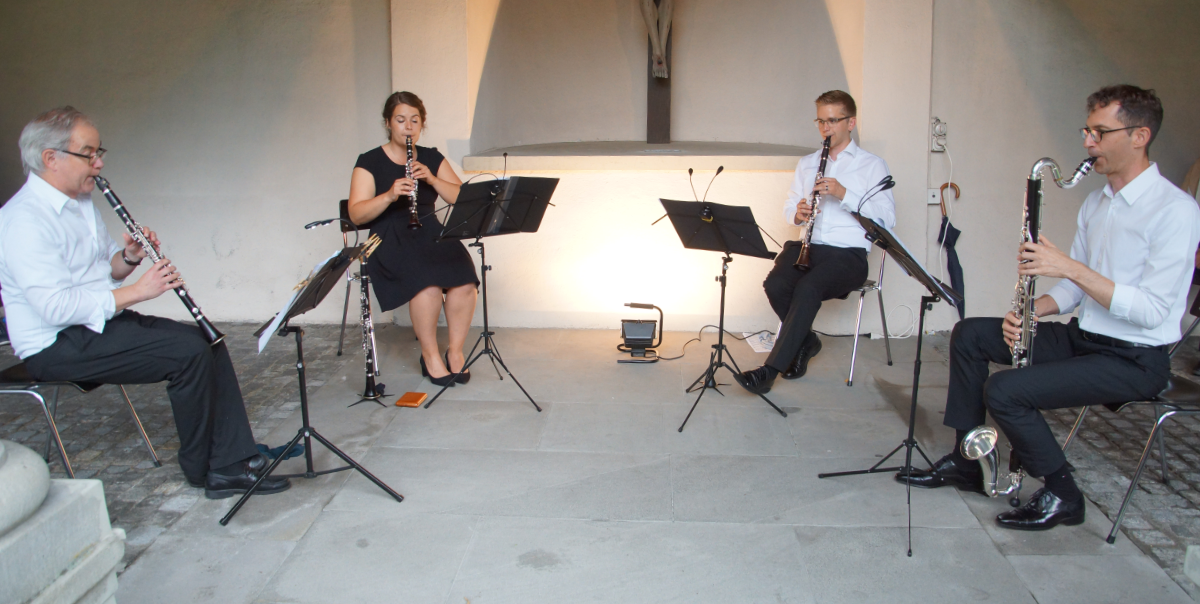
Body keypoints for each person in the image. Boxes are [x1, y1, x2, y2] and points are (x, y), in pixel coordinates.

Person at [897, 85, 1200, 531]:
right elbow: (1074, 291)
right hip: (1085, 337)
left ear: (1139, 136)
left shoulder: (1176, 210)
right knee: (971, 334)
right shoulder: (1098, 203)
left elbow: (1154, 312)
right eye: (1086, 130)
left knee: (1005, 391)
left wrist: (1071, 268)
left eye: (1100, 132)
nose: (1087, 142)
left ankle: (1064, 494)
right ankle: (968, 463)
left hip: (1135, 358)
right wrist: (1035, 308)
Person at [0, 107, 289, 499]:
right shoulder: (23, 221)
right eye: (89, 154)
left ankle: (233, 459)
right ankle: (209, 469)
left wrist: (132, 258)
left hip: (96, 325)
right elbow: (55, 308)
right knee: (187, 354)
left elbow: (106, 272)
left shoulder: (80, 204)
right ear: (51, 158)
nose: (99, 163)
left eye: (99, 152)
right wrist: (140, 290)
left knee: (210, 342)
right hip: (55, 344)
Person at [735, 90, 896, 394]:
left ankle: (770, 371)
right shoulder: (808, 163)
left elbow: (888, 218)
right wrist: (797, 213)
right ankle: (807, 341)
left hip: (848, 255)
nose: (826, 128)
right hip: (809, 248)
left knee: (808, 287)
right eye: (821, 121)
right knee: (776, 285)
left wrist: (844, 194)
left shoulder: (872, 165)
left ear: (851, 122)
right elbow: (788, 207)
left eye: (833, 120)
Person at [347, 92, 478, 387]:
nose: (408, 127)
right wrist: (390, 195)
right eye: (401, 120)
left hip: (431, 229)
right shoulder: (369, 161)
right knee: (427, 286)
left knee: (466, 282)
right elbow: (356, 214)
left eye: (414, 121)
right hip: (388, 235)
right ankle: (430, 356)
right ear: (388, 123)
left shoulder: (430, 156)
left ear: (422, 124)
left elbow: (462, 198)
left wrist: (432, 180)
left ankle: (455, 352)